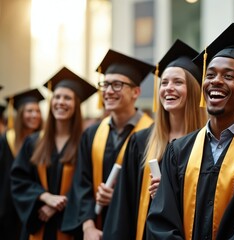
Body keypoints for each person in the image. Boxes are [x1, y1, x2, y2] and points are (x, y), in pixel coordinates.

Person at [146, 23, 234, 240]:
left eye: (228, 76)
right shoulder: (179, 150)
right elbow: (161, 222)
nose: (216, 81)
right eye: (210, 75)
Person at [103, 39, 208, 240]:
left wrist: (169, 194)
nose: (168, 88)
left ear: (195, 91)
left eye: (178, 82)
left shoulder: (206, 144)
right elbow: (123, 210)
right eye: (164, 82)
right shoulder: (141, 142)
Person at [61, 49, 155, 240]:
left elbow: (157, 193)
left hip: (133, 230)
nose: (108, 91)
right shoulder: (92, 134)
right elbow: (81, 184)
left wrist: (119, 198)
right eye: (105, 84)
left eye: (117, 85)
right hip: (95, 229)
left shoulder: (154, 136)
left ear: (135, 92)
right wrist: (87, 226)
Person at [10, 67, 96, 240]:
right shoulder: (34, 142)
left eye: (67, 98)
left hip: (72, 226)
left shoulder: (86, 142)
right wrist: (45, 198)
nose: (61, 102)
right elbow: (19, 179)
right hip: (38, 222)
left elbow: (87, 184)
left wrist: (58, 204)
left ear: (76, 104)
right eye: (57, 97)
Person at [0, 88, 44, 240]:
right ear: (20, 114)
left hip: (32, 206)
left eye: (38, 111)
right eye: (29, 111)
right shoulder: (6, 140)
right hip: (7, 208)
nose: (34, 115)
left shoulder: (44, 142)